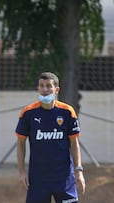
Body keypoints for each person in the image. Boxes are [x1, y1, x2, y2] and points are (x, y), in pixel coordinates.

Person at [15, 72, 86, 203]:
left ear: (56, 89)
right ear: (38, 88)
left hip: (64, 177)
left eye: (49, 86)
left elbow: (74, 142)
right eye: (41, 86)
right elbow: (20, 143)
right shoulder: (28, 113)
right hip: (38, 178)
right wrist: (21, 172)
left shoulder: (67, 112)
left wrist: (79, 171)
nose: (45, 89)